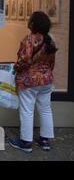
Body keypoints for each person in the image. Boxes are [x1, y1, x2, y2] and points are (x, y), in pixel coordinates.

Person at [9, 11, 57, 153]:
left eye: (30, 20)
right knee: (46, 109)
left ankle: (25, 142)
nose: (28, 22)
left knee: (27, 110)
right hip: (47, 80)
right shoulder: (50, 40)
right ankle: (45, 140)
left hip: (30, 81)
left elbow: (24, 60)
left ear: (33, 24)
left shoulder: (29, 39)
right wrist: (45, 74)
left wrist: (16, 68)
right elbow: (52, 63)